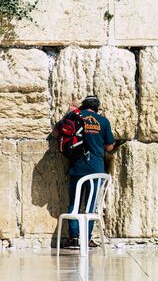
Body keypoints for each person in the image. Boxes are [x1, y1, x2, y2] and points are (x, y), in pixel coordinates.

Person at [55, 96, 115, 249]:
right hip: (96, 169)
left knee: (74, 203)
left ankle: (73, 238)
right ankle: (86, 239)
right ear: (96, 108)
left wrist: (68, 114)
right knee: (90, 205)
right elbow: (109, 147)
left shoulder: (75, 117)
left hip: (77, 168)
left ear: (83, 106)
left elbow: (56, 132)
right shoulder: (103, 121)